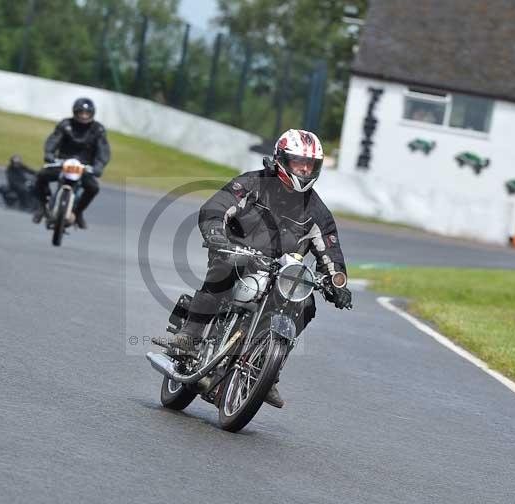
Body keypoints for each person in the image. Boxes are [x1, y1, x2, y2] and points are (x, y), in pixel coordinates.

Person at [157, 129, 353, 408]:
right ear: (282, 160)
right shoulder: (253, 183)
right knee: (225, 269)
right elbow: (217, 206)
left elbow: (331, 251)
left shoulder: (317, 212)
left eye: (310, 165)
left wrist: (337, 284)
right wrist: (216, 233)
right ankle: (190, 334)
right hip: (236, 252)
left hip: (281, 271)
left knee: (305, 304)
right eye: (299, 163)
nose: (305, 170)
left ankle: (267, 370)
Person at [32, 97, 111, 228]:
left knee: (93, 188)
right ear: (75, 112)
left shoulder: (98, 130)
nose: (84, 116)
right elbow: (54, 139)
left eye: (87, 113)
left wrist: (99, 165)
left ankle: (78, 212)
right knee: (40, 176)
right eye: (81, 113)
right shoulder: (65, 124)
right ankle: (42, 206)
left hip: (85, 167)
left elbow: (103, 150)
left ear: (92, 114)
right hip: (62, 163)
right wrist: (49, 153)